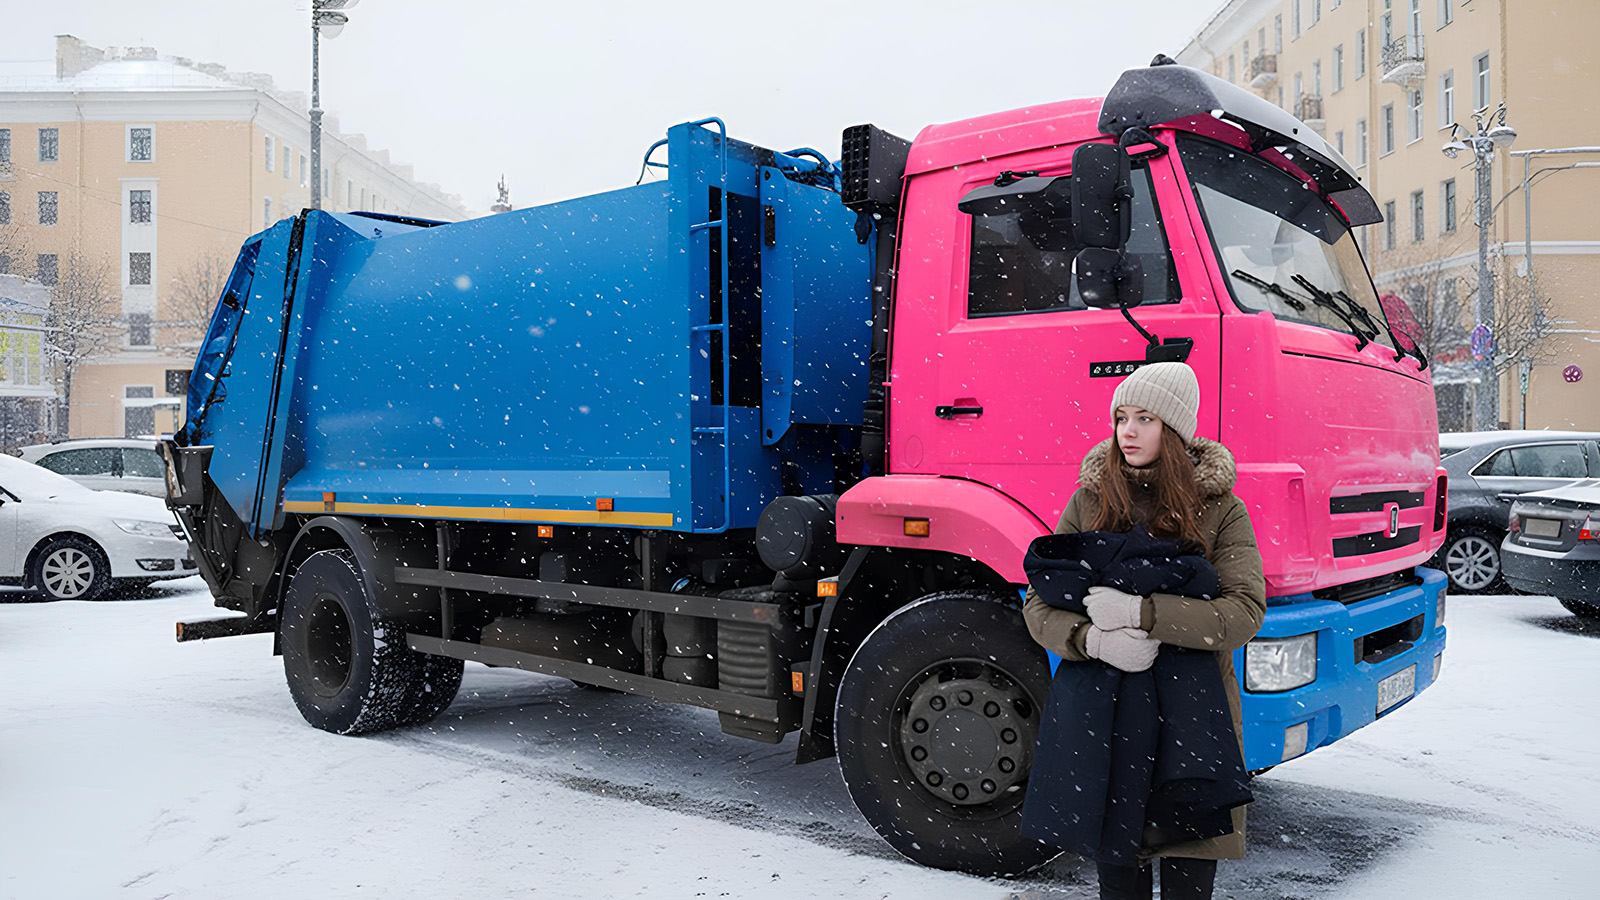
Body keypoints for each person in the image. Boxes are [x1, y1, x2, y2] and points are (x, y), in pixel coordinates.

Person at [1023, 361, 1267, 900]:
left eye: (1146, 418)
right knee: (1120, 877)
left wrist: (1142, 614)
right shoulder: (1090, 501)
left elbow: (1243, 612)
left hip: (1193, 726)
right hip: (1106, 721)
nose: (1127, 432)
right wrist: (1092, 639)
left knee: (1188, 872)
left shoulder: (1222, 508)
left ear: (1176, 431)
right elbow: (1038, 606)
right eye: (1121, 418)